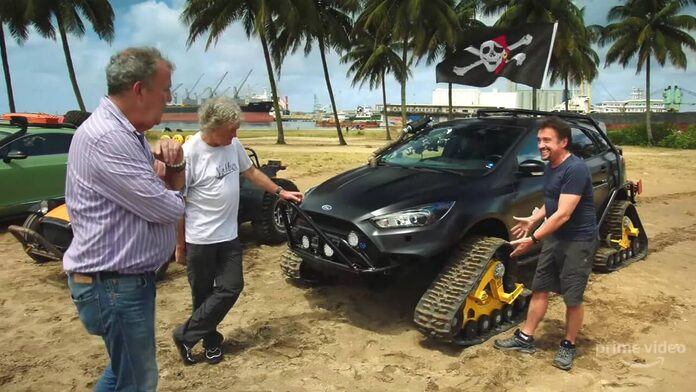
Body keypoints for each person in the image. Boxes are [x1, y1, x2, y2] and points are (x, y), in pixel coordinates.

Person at [63, 47, 185, 391]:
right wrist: (173, 176)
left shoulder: (127, 134)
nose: (170, 97)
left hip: (117, 282)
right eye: (166, 89)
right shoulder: (109, 138)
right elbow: (167, 207)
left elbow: (158, 186)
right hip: (113, 285)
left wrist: (167, 172)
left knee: (123, 373)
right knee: (138, 380)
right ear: (139, 90)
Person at [172, 96, 303, 365]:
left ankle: (184, 335)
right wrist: (179, 245)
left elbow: (251, 172)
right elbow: (178, 204)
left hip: (229, 236)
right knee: (203, 296)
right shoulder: (190, 153)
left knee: (232, 287)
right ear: (213, 126)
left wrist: (280, 191)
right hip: (200, 240)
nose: (236, 132)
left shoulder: (233, 145)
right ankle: (210, 343)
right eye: (231, 128)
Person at [494, 116, 598, 371]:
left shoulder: (575, 169)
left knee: (572, 297)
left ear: (563, 141)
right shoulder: (551, 165)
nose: (541, 144)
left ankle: (569, 344)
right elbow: (552, 201)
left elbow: (563, 213)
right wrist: (533, 218)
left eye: (547, 140)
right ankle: (525, 338)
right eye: (539, 140)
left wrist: (533, 238)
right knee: (540, 288)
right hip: (556, 237)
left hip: (578, 241)